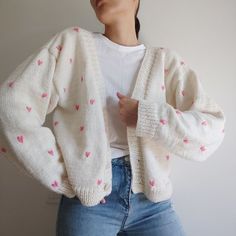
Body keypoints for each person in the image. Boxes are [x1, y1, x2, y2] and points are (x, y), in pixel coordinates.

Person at [0, 0, 226, 235]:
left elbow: (212, 128)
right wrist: (66, 174)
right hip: (89, 204)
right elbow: (10, 107)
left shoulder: (165, 62)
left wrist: (147, 117)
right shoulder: (72, 45)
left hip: (153, 203)